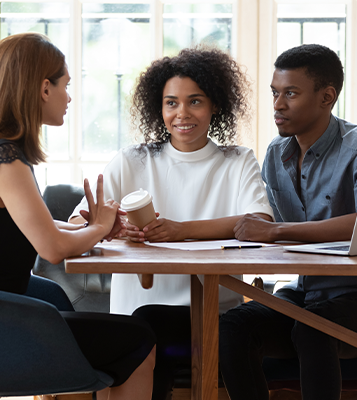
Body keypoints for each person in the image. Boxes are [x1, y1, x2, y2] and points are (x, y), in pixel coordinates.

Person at [0, 32, 156, 400]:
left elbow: (38, 226)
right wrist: (102, 226)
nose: (69, 97)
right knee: (140, 341)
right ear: (44, 88)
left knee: (104, 340)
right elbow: (54, 248)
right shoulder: (7, 161)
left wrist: (94, 230)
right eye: (66, 86)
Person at [69, 46, 274, 399]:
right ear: (158, 108)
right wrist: (112, 228)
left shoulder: (237, 161)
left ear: (215, 106)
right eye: (171, 103)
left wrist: (181, 231)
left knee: (159, 332)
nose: (182, 113)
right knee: (145, 332)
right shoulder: (133, 160)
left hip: (214, 314)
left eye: (195, 101)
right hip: (135, 315)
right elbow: (79, 220)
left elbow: (259, 221)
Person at [219, 44, 357, 400]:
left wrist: (276, 231)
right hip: (305, 294)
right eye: (275, 93)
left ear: (326, 97)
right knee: (232, 326)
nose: (277, 105)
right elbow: (265, 223)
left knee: (312, 328)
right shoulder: (277, 153)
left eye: (290, 93)